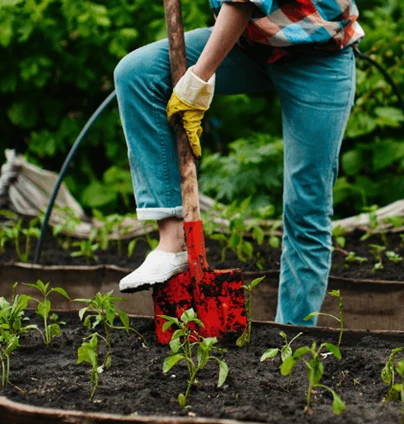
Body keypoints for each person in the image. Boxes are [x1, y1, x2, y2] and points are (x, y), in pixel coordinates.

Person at [113, 0, 363, 325]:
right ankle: (173, 241)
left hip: (319, 56)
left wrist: (197, 81)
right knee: (137, 74)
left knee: (307, 207)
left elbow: (242, 3)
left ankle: (293, 337)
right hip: (248, 46)